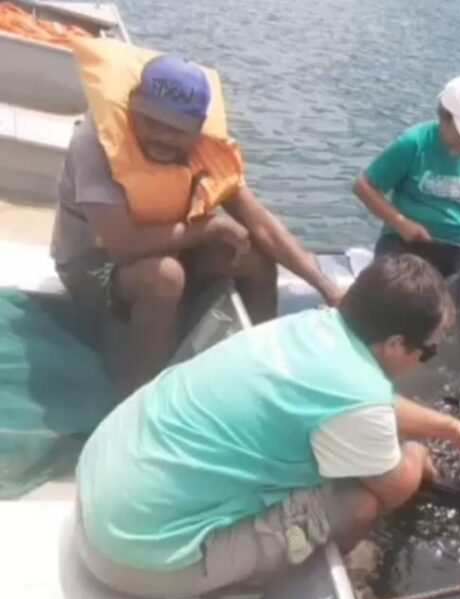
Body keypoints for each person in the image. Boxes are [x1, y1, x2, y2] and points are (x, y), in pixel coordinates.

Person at [74, 254, 460, 598]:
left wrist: (450, 428)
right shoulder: (359, 396)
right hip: (131, 556)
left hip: (99, 486)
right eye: (427, 351)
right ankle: (255, 586)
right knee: (358, 504)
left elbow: (372, 403)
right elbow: (392, 487)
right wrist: (417, 452)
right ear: (394, 344)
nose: (425, 359)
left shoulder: (313, 327)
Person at [53, 39, 343, 392]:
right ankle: (139, 393)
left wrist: (325, 286)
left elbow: (263, 224)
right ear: (131, 108)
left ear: (198, 129)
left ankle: (258, 370)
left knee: (252, 252)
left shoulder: (205, 148)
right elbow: (123, 246)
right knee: (166, 277)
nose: (163, 136)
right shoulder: (97, 142)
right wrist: (208, 228)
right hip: (93, 264)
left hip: (166, 249)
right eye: (152, 121)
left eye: (177, 128)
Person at [352, 76, 460, 277]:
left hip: (459, 247)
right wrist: (402, 223)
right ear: (445, 118)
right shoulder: (413, 142)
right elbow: (363, 186)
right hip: (406, 242)